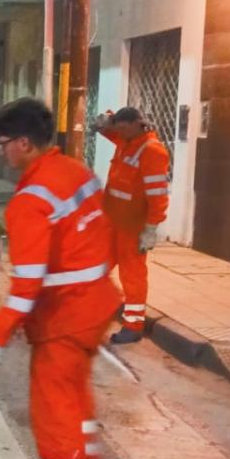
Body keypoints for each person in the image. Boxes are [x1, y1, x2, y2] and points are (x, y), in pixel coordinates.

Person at [0, 98, 121, 459]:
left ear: (24, 143)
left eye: (3, 143)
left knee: (55, 420)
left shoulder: (29, 202)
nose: (0, 151)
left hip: (62, 321)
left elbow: (27, 285)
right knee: (77, 400)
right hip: (94, 308)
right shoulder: (77, 173)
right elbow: (107, 234)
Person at [94, 107, 170, 344]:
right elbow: (108, 130)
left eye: (124, 128)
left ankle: (133, 325)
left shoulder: (151, 151)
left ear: (138, 124)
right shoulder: (126, 141)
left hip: (133, 229)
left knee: (132, 277)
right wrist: (106, 120)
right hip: (112, 223)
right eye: (118, 129)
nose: (120, 133)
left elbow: (158, 195)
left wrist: (150, 229)